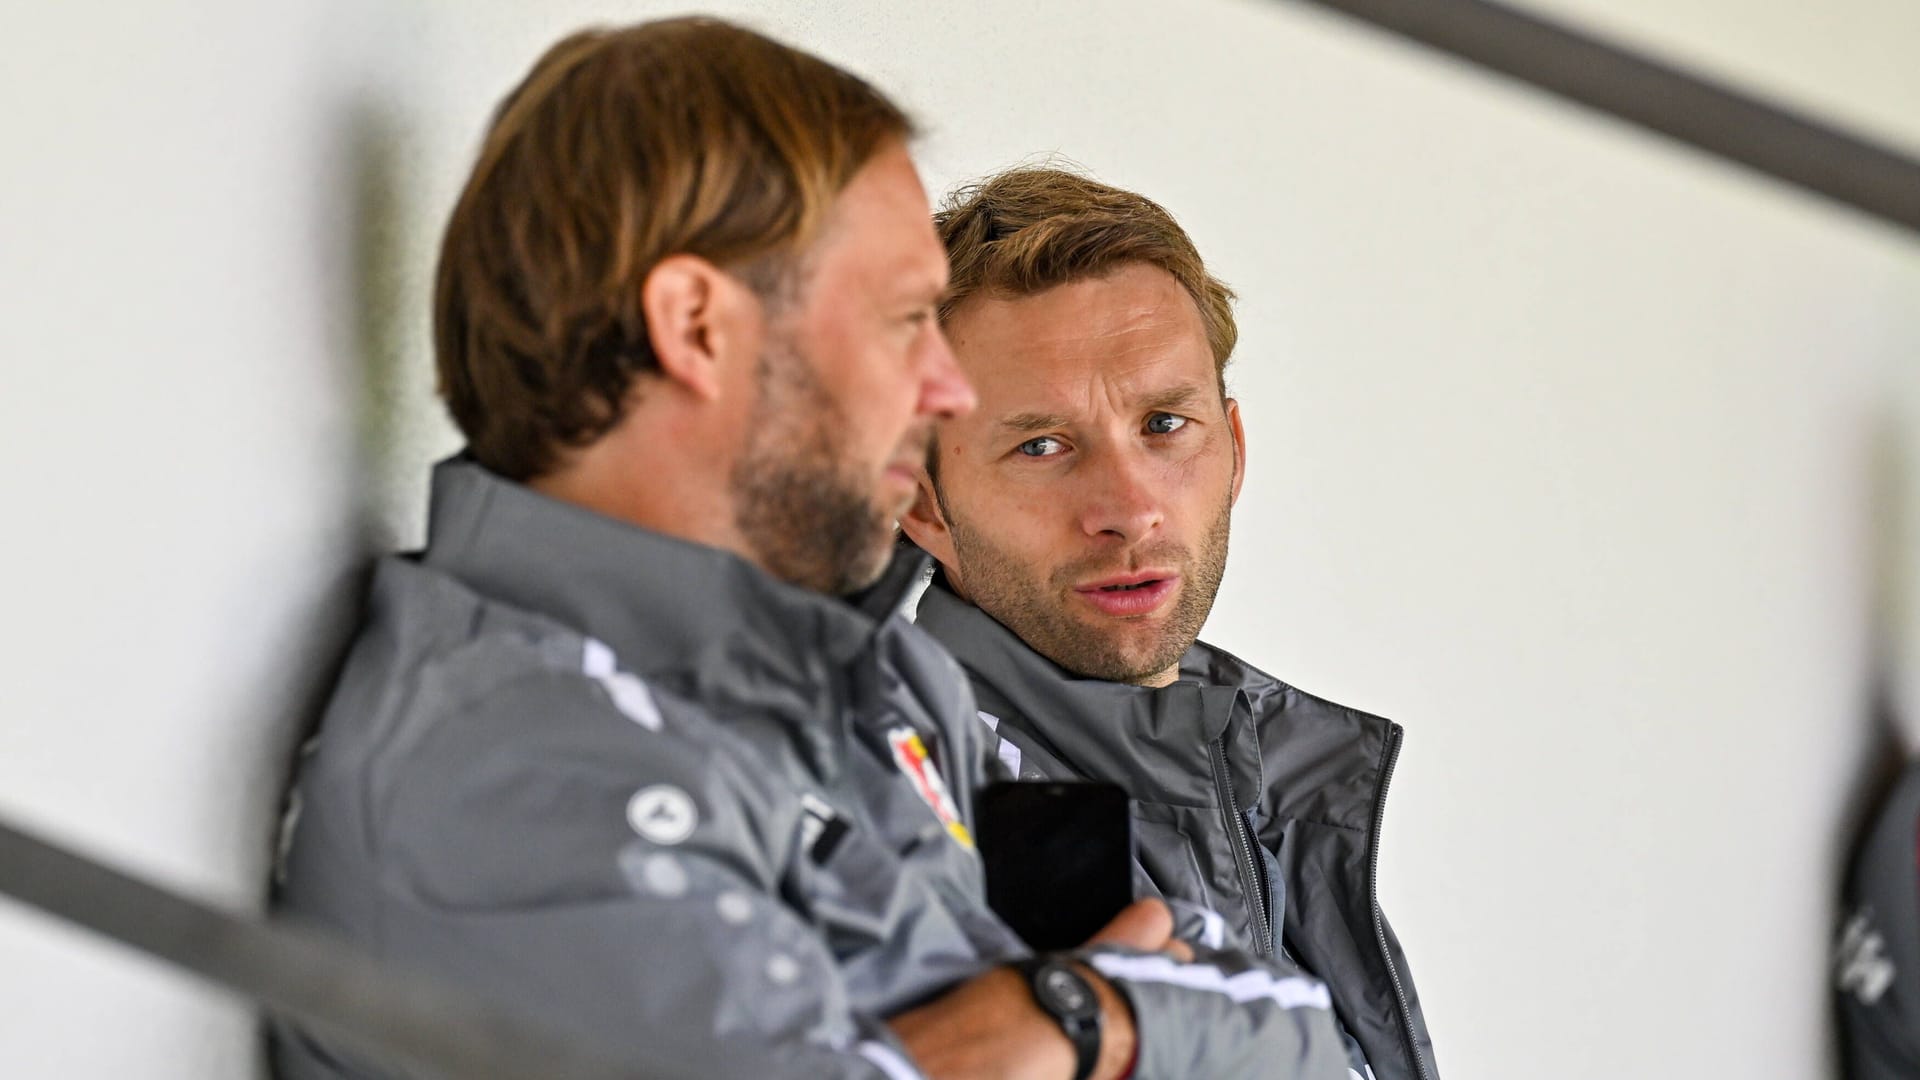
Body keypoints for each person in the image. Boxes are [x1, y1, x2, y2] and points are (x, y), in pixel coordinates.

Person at [271, 20, 1354, 1080]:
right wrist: (1088, 1014)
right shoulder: (510, 779)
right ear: (697, 327)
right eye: (900, 321)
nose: (943, 390)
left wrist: (1061, 1020)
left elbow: (1298, 1036)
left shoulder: (868, 668)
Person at [899, 168, 1442, 1080]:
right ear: (923, 503)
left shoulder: (1275, 770)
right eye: (1041, 445)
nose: (1129, 507)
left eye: (1163, 423)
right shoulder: (886, 810)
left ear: (1233, 448)